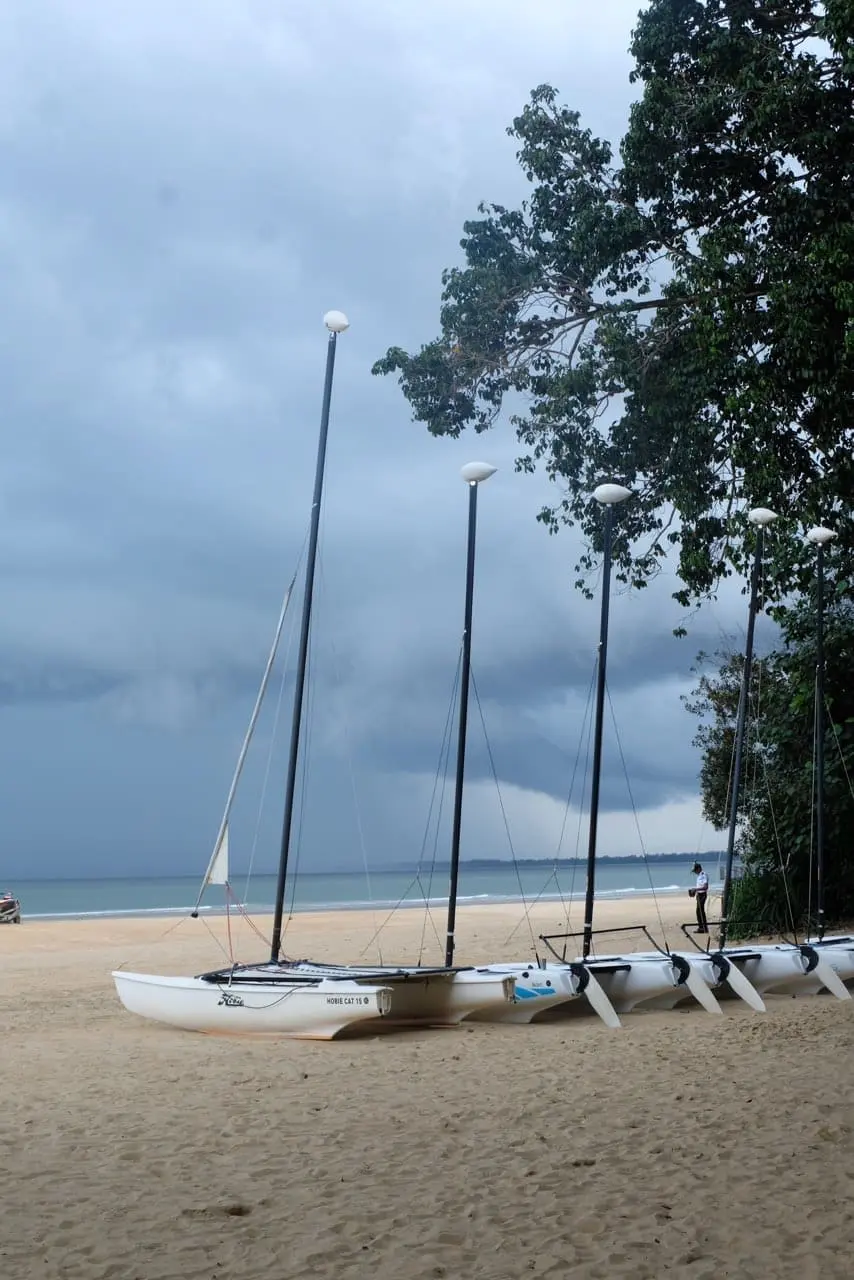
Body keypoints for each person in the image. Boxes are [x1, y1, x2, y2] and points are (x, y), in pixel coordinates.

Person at [689, 862, 709, 933]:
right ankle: (702, 927)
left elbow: (705, 887)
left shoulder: (703, 875)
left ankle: (703, 928)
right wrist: (695, 891)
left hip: (703, 895)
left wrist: (696, 889)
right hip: (699, 895)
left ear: (699, 869)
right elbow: (700, 886)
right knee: (698, 911)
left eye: (695, 871)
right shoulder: (699, 876)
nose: (695, 872)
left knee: (700, 911)